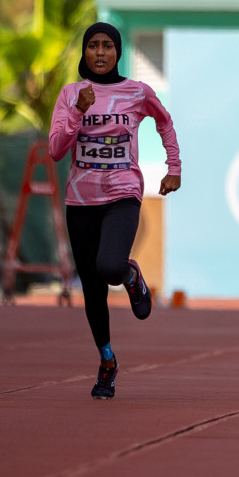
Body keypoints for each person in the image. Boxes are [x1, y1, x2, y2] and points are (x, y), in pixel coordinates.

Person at [47, 22, 182, 399]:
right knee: (92, 288)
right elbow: (56, 149)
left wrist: (174, 168)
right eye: (93, 46)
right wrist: (78, 112)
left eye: (108, 46)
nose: (101, 53)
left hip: (123, 193)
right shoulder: (71, 93)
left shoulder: (137, 92)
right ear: (85, 53)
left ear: (118, 52)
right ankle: (107, 361)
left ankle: (130, 274)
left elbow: (165, 122)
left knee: (108, 268)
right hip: (80, 199)